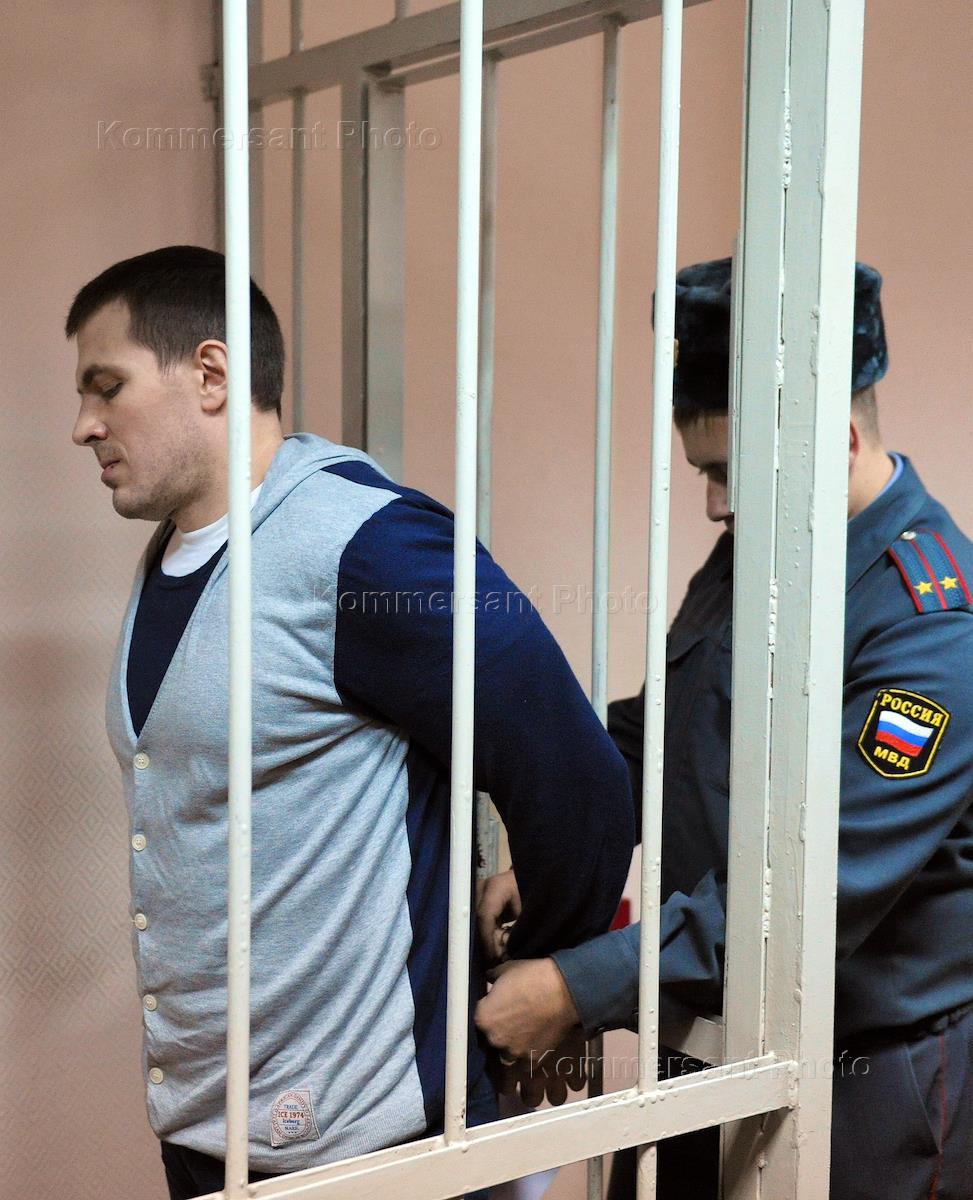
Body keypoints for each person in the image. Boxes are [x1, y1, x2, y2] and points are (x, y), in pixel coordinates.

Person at [66, 245, 635, 1200]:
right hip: (209, 1130)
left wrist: (553, 972)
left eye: (106, 386)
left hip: (372, 1145)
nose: (83, 425)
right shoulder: (173, 551)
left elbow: (571, 770)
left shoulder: (367, 546)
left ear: (210, 374)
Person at [475, 258, 973, 1200]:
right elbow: (656, 734)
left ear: (838, 440)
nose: (712, 505)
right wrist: (555, 852)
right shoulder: (761, 546)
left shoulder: (931, 624)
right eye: (705, 471)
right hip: (709, 1022)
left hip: (865, 1077)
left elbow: (816, 887)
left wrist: (579, 986)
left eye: (726, 473)